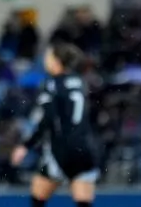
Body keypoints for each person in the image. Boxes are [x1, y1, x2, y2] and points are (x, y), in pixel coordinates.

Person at [10, 42, 99, 207]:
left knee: (37, 199)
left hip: (60, 149)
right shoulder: (81, 82)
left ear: (56, 61)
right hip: (84, 149)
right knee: (84, 204)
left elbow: (45, 118)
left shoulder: (51, 84)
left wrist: (25, 145)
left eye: (48, 57)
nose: (45, 60)